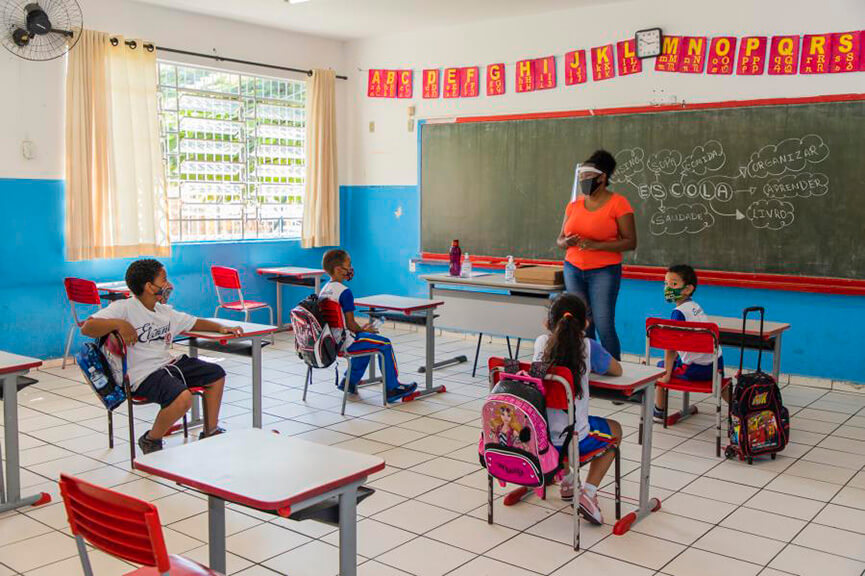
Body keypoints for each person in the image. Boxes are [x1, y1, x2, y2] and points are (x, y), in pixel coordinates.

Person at [81, 259, 242, 454]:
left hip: (167, 365)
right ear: (149, 287)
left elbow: (193, 322)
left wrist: (221, 327)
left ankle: (211, 430)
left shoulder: (163, 311)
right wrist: (119, 324)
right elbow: (88, 327)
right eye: (164, 279)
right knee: (183, 398)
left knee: (216, 373)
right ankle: (151, 439)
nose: (168, 284)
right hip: (141, 374)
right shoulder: (124, 308)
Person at [533, 293, 623, 525]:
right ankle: (589, 493)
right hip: (576, 441)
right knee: (615, 431)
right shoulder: (589, 346)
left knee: (557, 424)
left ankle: (568, 481)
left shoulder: (540, 343)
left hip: (540, 440)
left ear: (547, 324)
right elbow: (617, 371)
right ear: (585, 323)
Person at [557, 149, 637, 360]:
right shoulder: (574, 205)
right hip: (573, 268)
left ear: (602, 177)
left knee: (603, 324)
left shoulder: (618, 203)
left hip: (604, 271)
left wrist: (596, 245)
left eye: (588, 177)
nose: (583, 181)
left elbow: (631, 241)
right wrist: (567, 242)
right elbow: (559, 240)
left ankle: (615, 373)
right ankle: (588, 370)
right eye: (581, 177)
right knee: (582, 323)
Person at [319, 249, 417, 402]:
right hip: (347, 342)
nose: (351, 269)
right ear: (338, 269)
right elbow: (351, 324)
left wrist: (361, 330)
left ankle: (349, 382)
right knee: (384, 343)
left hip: (332, 342)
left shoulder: (325, 290)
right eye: (348, 265)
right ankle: (392, 388)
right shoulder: (345, 292)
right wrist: (362, 328)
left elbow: (344, 323)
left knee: (370, 340)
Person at [654, 264, 725, 421]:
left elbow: (671, 347)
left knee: (660, 368)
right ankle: (737, 406)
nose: (667, 288)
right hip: (717, 364)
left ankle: (658, 412)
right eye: (666, 284)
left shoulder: (678, 313)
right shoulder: (695, 307)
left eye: (673, 284)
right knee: (719, 378)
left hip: (698, 369)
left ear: (688, 289)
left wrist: (666, 374)